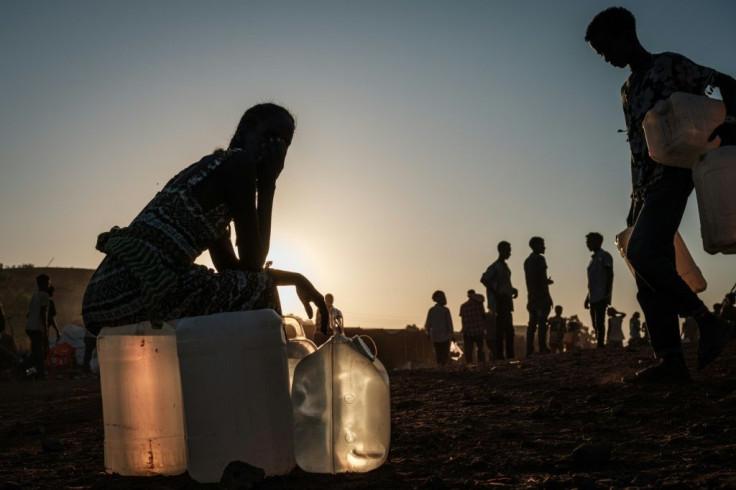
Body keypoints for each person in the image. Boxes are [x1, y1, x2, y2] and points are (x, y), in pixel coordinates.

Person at [82, 103, 329, 335]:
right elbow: (254, 263)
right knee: (262, 293)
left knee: (251, 286)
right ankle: (265, 379)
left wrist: (295, 278)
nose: (275, 149)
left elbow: (231, 269)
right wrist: (268, 183)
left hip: (101, 295)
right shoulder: (239, 164)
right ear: (244, 133)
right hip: (137, 288)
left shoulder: (214, 170)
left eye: (283, 144)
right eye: (270, 136)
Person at [586, 7, 736, 382]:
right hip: (640, 188)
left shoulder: (668, 66)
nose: (606, 58)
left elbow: (726, 82)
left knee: (643, 251)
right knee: (645, 272)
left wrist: (731, 123)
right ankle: (670, 361)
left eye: (606, 49)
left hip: (672, 177)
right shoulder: (627, 89)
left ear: (625, 35)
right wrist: (634, 197)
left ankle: (706, 321)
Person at [480, 241, 518, 360]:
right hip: (499, 302)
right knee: (502, 329)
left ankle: (508, 355)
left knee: (508, 329)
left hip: (506, 299)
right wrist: (496, 293)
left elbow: (505, 284)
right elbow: (484, 279)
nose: (510, 253)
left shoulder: (505, 267)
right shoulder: (495, 266)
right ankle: (501, 355)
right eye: (508, 250)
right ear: (501, 250)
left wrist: (512, 289)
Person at [523, 237, 553, 357]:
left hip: (531, 296)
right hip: (541, 297)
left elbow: (533, 279)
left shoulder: (527, 261)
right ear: (535, 245)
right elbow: (541, 278)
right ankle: (542, 347)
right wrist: (548, 296)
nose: (544, 247)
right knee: (542, 323)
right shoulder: (540, 259)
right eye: (542, 244)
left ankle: (529, 349)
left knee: (532, 324)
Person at [583, 232, 613, 349]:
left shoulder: (605, 256)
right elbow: (592, 283)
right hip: (593, 296)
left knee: (600, 320)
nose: (587, 244)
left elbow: (609, 274)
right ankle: (599, 342)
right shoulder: (592, 260)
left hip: (602, 294)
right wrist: (587, 297)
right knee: (594, 322)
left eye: (589, 242)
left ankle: (600, 343)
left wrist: (607, 293)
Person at [26, 274, 51, 378]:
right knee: (38, 353)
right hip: (37, 327)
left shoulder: (34, 295)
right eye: (49, 283)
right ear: (45, 283)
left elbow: (28, 314)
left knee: (36, 351)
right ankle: (20, 367)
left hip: (29, 326)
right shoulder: (44, 296)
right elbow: (43, 313)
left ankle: (37, 372)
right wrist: (45, 329)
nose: (49, 285)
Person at [424, 290, 453, 367]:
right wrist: (451, 334)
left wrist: (427, 332)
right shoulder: (445, 310)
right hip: (445, 336)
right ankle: (442, 365)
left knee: (438, 353)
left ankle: (440, 365)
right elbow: (449, 323)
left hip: (435, 336)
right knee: (444, 352)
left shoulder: (432, 310)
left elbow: (428, 324)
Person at [459, 289, 486, 365]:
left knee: (469, 350)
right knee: (480, 348)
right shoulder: (480, 304)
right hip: (479, 329)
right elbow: (483, 316)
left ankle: (469, 363)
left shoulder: (463, 306)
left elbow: (463, 319)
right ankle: (481, 363)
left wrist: (463, 328)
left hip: (468, 331)